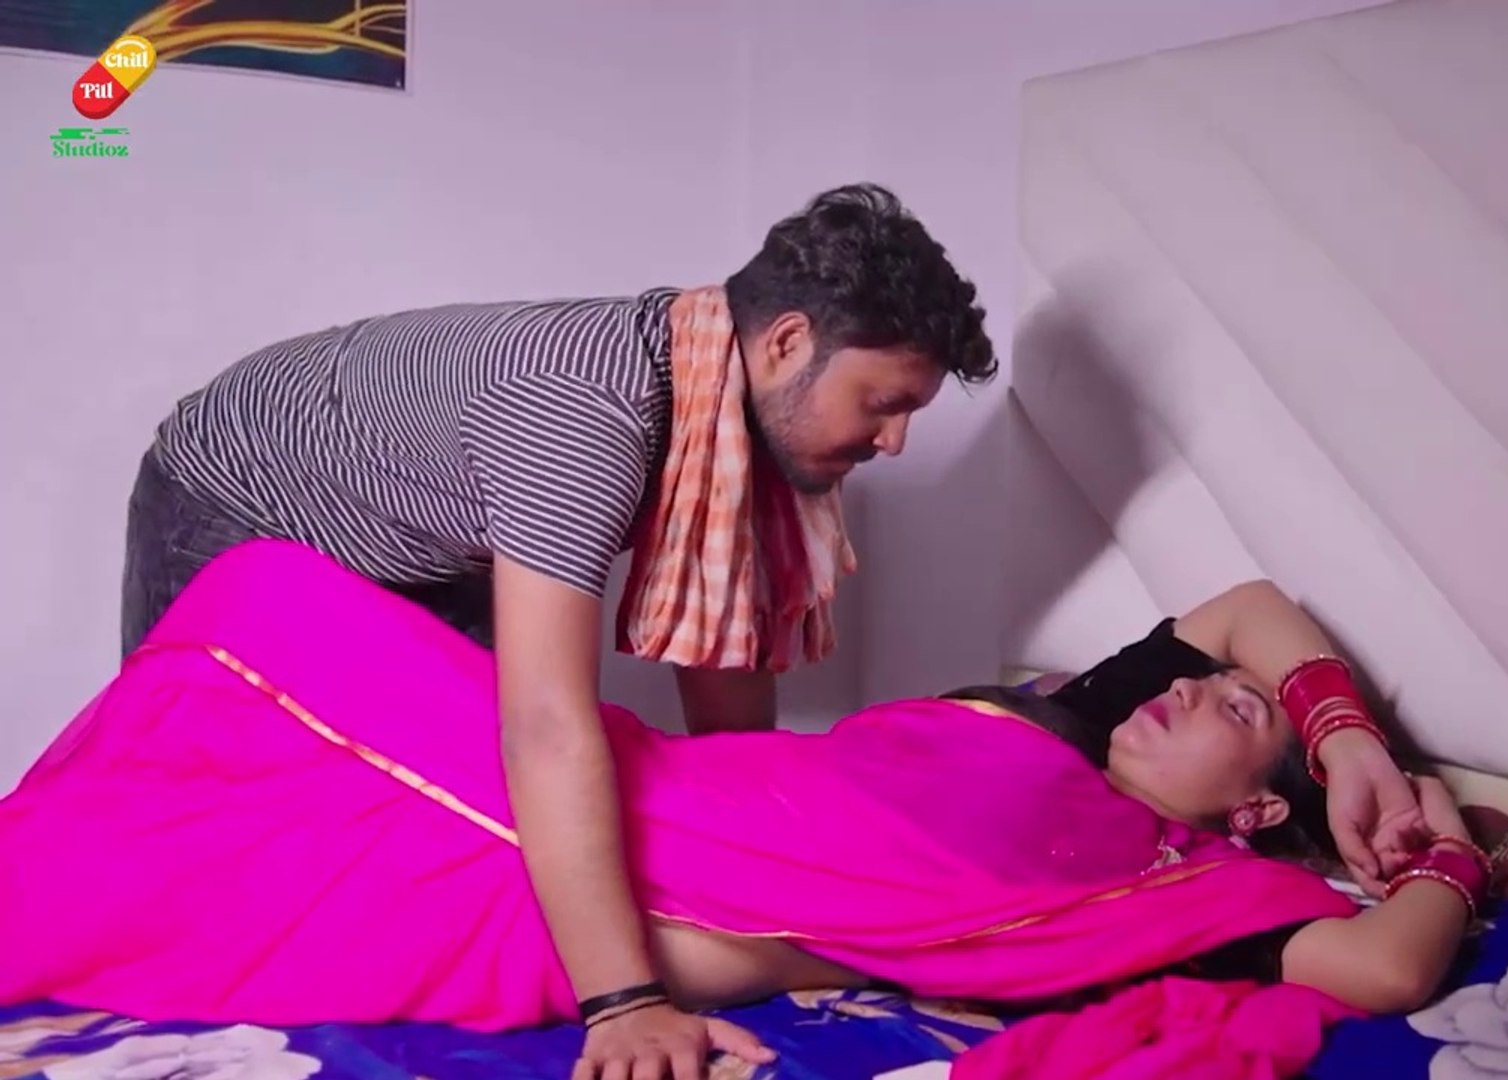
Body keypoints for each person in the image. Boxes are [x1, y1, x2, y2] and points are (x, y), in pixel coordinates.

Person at [0, 540, 1469, 1080]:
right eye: (1199, 684)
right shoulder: (1064, 717)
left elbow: (1388, 965)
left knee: (96, 885)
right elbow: (1247, 602)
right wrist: (1339, 731)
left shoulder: (1178, 893)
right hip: (590, 785)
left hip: (555, 911)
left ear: (1252, 818)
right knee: (261, 590)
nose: (1190, 690)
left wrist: (1440, 831)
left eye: (1234, 714)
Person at [114, 185, 996, 1073]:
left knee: (469, 832)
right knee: (225, 824)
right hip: (240, 505)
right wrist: (625, 1003)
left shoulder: (724, 409)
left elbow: (719, 666)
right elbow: (543, 724)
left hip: (428, 537)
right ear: (788, 342)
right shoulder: (585, 413)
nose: (893, 442)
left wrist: (761, 849)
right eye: (883, 402)